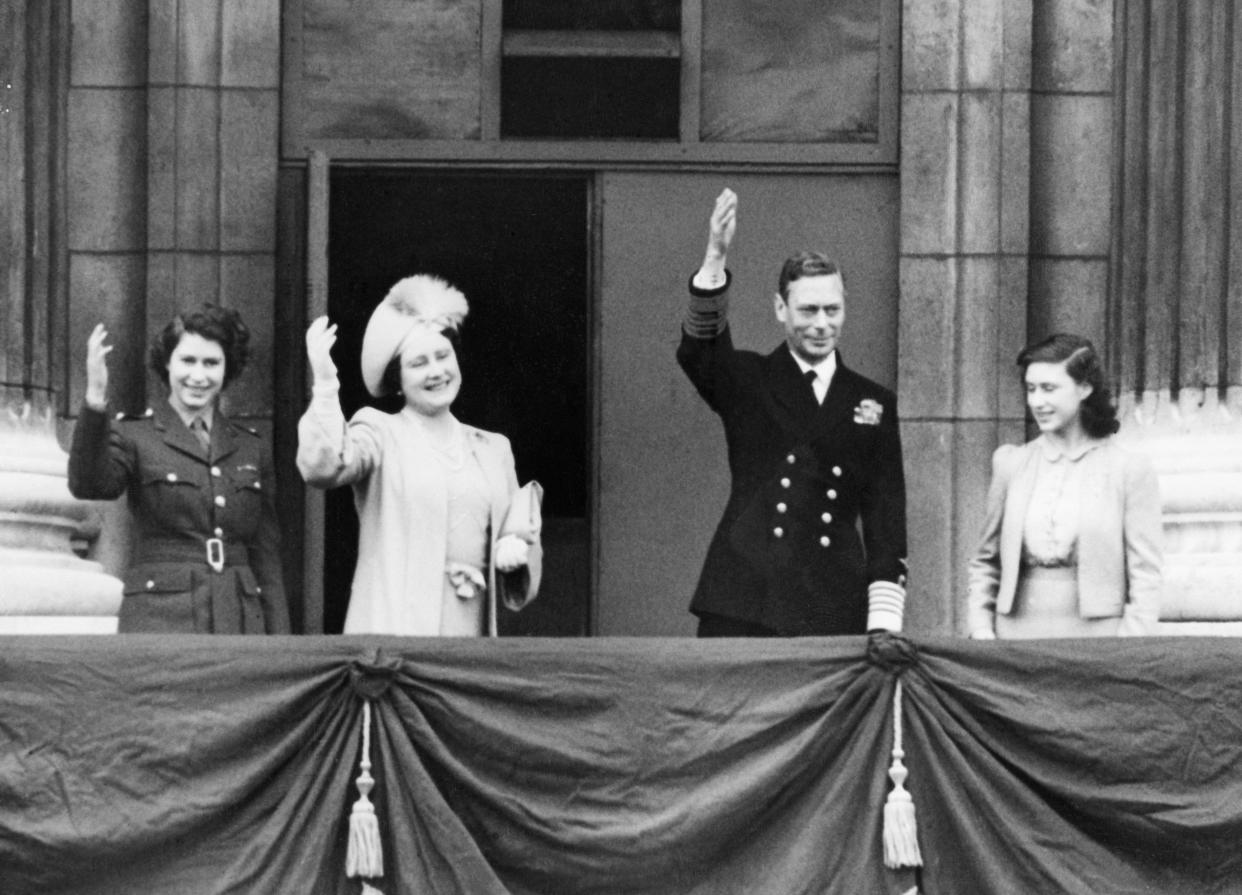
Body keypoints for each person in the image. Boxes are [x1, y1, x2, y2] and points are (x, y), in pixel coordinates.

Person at [676, 187, 908, 637]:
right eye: (808, 310)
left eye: (832, 310)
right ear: (781, 308)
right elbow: (699, 354)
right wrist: (714, 259)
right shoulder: (748, 380)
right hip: (744, 596)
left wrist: (883, 624)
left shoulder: (874, 402)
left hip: (833, 599)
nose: (822, 324)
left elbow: (885, 519)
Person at [297, 274, 542, 636]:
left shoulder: (493, 448)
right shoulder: (378, 432)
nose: (436, 371)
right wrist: (325, 385)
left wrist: (515, 544)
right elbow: (324, 466)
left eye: (443, 356)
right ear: (397, 380)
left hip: (471, 631)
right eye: (418, 363)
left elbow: (517, 529)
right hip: (397, 630)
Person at [67, 305, 290, 634]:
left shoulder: (251, 447)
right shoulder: (135, 434)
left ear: (227, 369)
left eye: (211, 363)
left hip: (239, 620)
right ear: (168, 362)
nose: (198, 376)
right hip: (160, 618)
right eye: (188, 361)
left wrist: (279, 644)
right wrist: (95, 399)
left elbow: (266, 557)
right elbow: (89, 484)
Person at [967, 333, 1163, 639]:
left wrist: (1128, 648)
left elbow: (1146, 575)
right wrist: (981, 631)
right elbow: (985, 561)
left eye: (1049, 389)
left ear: (1084, 388)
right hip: (1013, 640)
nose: (1037, 402)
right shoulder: (1011, 464)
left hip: (1096, 644)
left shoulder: (1128, 469)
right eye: (1031, 389)